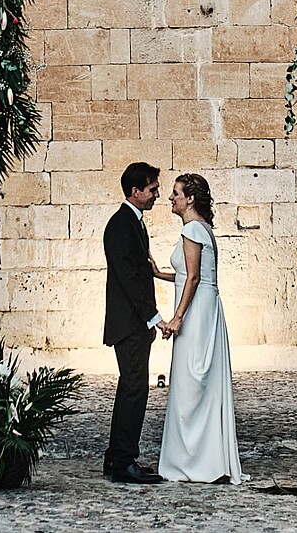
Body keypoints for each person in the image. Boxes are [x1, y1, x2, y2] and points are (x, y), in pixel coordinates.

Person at [155, 172, 244, 484]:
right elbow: (190, 275)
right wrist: (160, 274)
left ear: (190, 199)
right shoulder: (203, 228)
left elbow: (193, 278)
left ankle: (193, 461)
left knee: (190, 383)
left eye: (176, 193)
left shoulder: (193, 228)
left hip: (196, 311)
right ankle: (205, 457)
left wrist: (177, 316)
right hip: (205, 306)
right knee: (197, 382)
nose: (171, 197)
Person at [102, 160, 167, 484]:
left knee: (130, 387)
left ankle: (116, 456)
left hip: (133, 323)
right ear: (135, 191)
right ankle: (124, 462)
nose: (157, 194)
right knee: (134, 389)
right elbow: (129, 278)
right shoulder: (121, 225)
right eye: (152, 189)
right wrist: (153, 318)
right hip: (129, 324)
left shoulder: (132, 222)